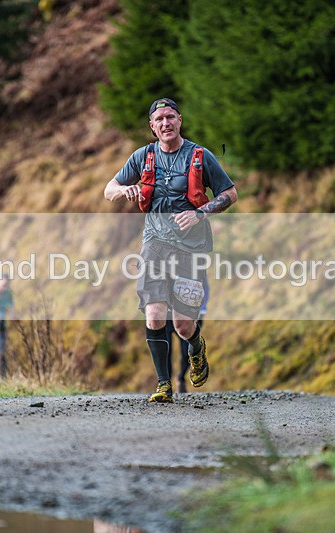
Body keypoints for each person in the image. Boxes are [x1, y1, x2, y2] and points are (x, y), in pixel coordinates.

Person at [104, 97, 237, 403]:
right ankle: (164, 384)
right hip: (155, 243)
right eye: (159, 119)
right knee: (153, 315)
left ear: (180, 120)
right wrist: (125, 189)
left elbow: (230, 193)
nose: (165, 123)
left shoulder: (199, 156)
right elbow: (108, 189)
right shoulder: (143, 156)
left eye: (170, 117)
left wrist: (200, 213)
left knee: (183, 323)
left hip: (191, 248)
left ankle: (196, 346)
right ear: (152, 127)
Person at [166, 276, 208, 394]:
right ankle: (166, 382)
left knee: (186, 352)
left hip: (185, 313)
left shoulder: (189, 264)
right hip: (166, 314)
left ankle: (181, 378)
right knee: (166, 351)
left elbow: (203, 285)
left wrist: (202, 310)